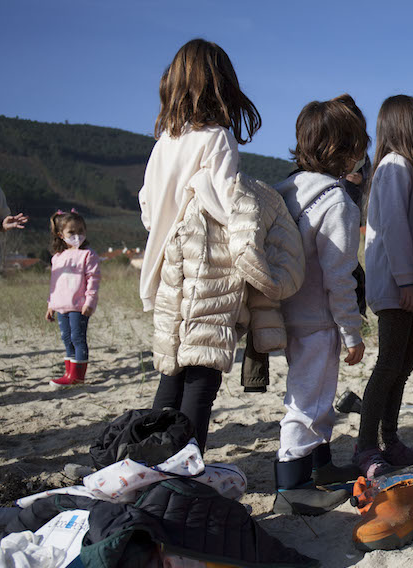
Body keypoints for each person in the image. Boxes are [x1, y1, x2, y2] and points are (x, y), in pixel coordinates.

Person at [139, 39, 260, 450]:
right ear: (222, 85)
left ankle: (155, 463)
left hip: (165, 270)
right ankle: (186, 467)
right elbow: (227, 205)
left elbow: (147, 210)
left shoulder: (162, 145)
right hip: (205, 272)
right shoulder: (217, 138)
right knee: (202, 377)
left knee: (171, 371)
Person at [272, 95, 368, 514]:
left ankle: (319, 466)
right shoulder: (337, 203)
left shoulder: (286, 190)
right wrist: (351, 331)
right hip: (318, 320)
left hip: (284, 312)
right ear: (347, 149)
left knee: (312, 394)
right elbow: (339, 279)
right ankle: (291, 485)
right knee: (309, 400)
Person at [356, 95, 413, 477]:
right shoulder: (394, 167)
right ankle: (366, 446)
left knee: (402, 366)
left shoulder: (407, 169)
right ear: (407, 126)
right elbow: (394, 229)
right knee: (388, 365)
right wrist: (406, 280)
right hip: (396, 285)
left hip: (410, 286)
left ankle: (391, 440)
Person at [45, 209, 100, 386]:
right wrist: (50, 305)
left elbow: (93, 279)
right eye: (71, 232)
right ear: (61, 235)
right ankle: (69, 373)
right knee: (67, 339)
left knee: (78, 338)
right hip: (61, 305)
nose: (77, 236)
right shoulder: (57, 257)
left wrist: (90, 301)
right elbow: (55, 283)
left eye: (81, 231)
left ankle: (78, 377)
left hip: (79, 306)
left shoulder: (88, 254)